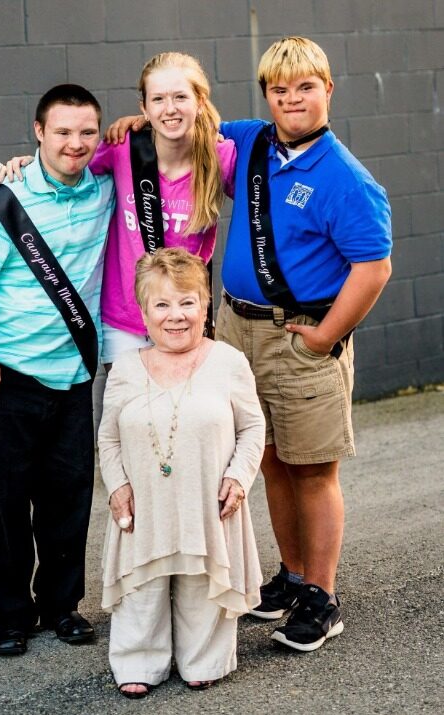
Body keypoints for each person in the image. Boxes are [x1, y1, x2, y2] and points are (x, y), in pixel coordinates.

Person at [107, 36, 393, 653]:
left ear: (328, 90)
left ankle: (322, 597)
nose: (292, 100)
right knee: (269, 459)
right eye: (279, 90)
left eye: (305, 88)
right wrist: (137, 122)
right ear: (267, 95)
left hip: (300, 336)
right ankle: (292, 578)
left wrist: (325, 336)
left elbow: (374, 268)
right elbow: (186, 126)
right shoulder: (254, 140)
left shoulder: (345, 177)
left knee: (313, 468)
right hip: (238, 332)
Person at [0, 84, 115, 656]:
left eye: (87, 131)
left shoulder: (107, 190)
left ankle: (63, 608)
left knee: (68, 500)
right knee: (6, 503)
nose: (76, 143)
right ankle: (13, 617)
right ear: (38, 133)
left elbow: (151, 147)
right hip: (4, 378)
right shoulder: (4, 201)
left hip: (71, 377)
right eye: (62, 132)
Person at [0, 52, 236, 367]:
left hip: (185, 318)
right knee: (132, 414)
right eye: (158, 99)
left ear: (200, 101)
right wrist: (30, 163)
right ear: (144, 108)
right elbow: (66, 167)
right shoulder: (124, 147)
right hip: (125, 323)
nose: (170, 109)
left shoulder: (221, 157)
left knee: (182, 415)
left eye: (180, 97)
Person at [98, 248, 264, 698]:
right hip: (144, 503)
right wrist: (118, 486)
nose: (177, 316)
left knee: (200, 583)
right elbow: (108, 438)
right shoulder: (127, 368)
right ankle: (139, 661)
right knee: (143, 586)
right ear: (144, 311)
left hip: (206, 500)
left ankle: (203, 659)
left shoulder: (228, 362)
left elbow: (253, 427)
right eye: (163, 305)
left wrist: (239, 477)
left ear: (206, 305)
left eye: (188, 302)